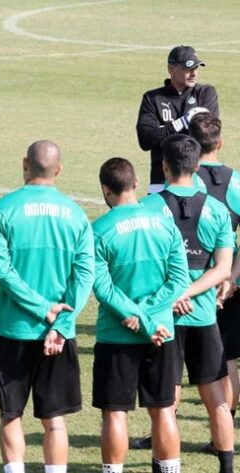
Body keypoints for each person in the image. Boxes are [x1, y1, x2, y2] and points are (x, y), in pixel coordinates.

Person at [0, 140, 94, 473]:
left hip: (14, 328)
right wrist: (60, 323)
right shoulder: (76, 215)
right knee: (54, 420)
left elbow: (4, 272)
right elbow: (84, 276)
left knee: (10, 414)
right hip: (58, 335)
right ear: (58, 170)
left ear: (24, 164)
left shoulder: (1, 210)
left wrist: (42, 308)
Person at [140, 134, 234, 473]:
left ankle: (166, 466)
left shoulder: (148, 208)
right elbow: (223, 269)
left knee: (166, 401)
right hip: (204, 316)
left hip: (165, 318)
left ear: (164, 165)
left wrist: (174, 295)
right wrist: (191, 293)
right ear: (196, 167)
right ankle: (226, 468)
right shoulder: (217, 210)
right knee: (217, 399)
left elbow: (146, 268)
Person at [91, 157, 189, 473]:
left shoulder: (98, 230)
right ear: (135, 184)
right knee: (163, 410)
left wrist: (136, 317)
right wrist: (149, 317)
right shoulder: (165, 224)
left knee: (115, 413)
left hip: (117, 334)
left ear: (106, 190)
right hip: (161, 332)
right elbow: (179, 280)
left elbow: (103, 288)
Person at [189, 113, 240, 455]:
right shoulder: (236, 182)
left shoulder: (183, 178)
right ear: (220, 142)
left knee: (176, 360)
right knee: (228, 357)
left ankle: (162, 429)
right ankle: (223, 433)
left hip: (191, 285)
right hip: (229, 283)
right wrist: (231, 277)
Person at [136, 45, 219, 194]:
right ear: (171, 69)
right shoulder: (153, 98)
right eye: (188, 68)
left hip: (198, 181)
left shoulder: (206, 93)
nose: (194, 73)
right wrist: (182, 123)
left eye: (196, 68)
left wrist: (163, 132)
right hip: (160, 182)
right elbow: (146, 140)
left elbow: (208, 136)